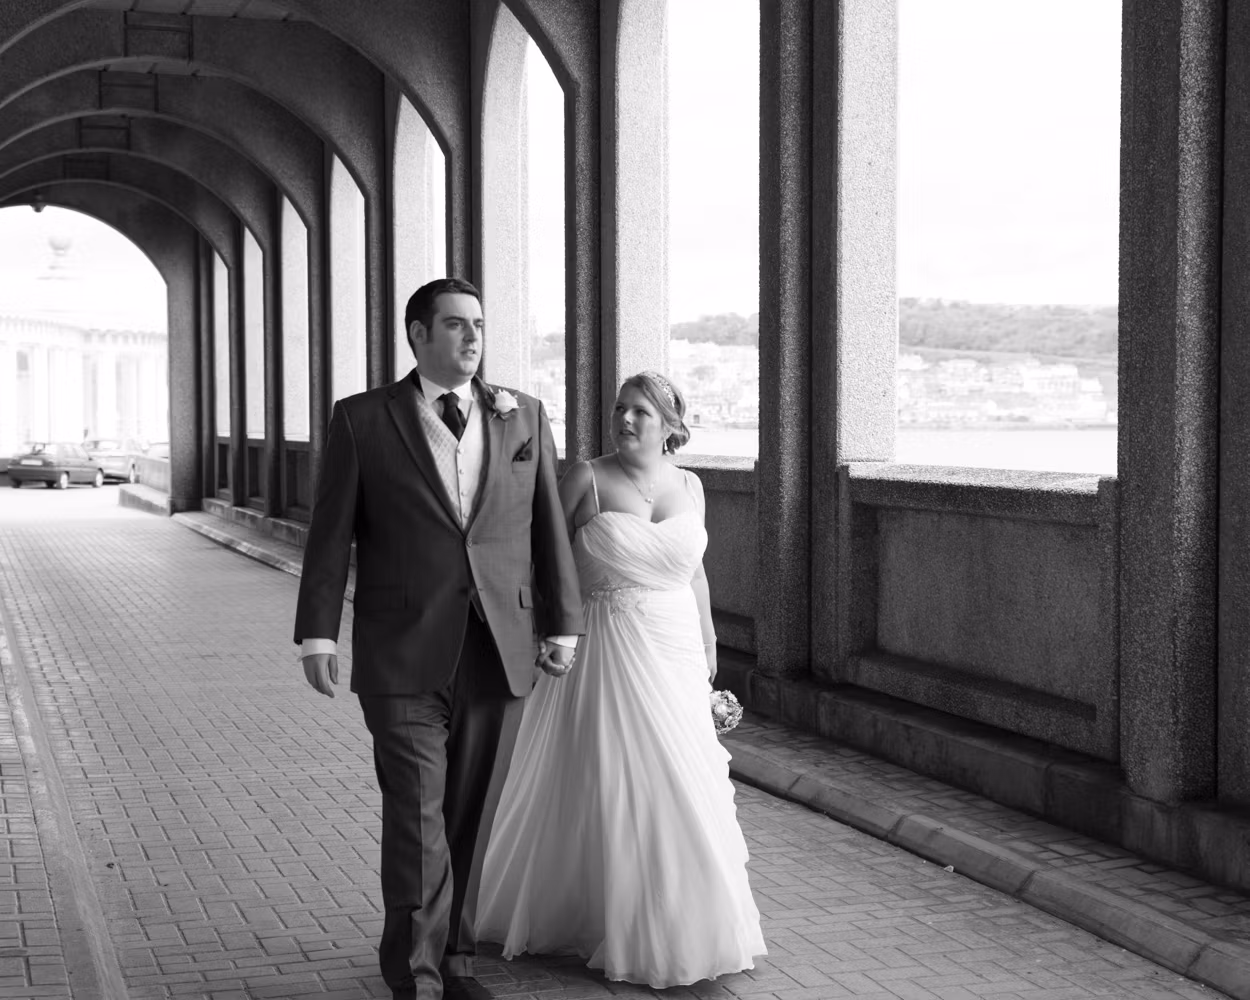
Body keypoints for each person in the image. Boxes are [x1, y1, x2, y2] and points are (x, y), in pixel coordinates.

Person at [292, 277, 584, 1000]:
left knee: (471, 815)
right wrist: (318, 635)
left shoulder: (523, 415)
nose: (473, 337)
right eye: (455, 324)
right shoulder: (362, 419)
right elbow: (330, 534)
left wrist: (562, 622)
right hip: (400, 649)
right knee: (417, 815)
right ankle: (416, 977)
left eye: (478, 323)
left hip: (500, 645)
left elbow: (547, 525)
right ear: (418, 335)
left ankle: (456, 962)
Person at [475, 371, 767, 988]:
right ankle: (606, 917)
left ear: (669, 425)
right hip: (605, 648)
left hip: (676, 649)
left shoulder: (690, 485)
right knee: (613, 777)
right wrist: (548, 632)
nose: (625, 420)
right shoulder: (586, 477)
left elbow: (695, 573)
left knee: (683, 779)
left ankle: (686, 923)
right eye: (620, 409)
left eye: (640, 411)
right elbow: (542, 559)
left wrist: (710, 640)